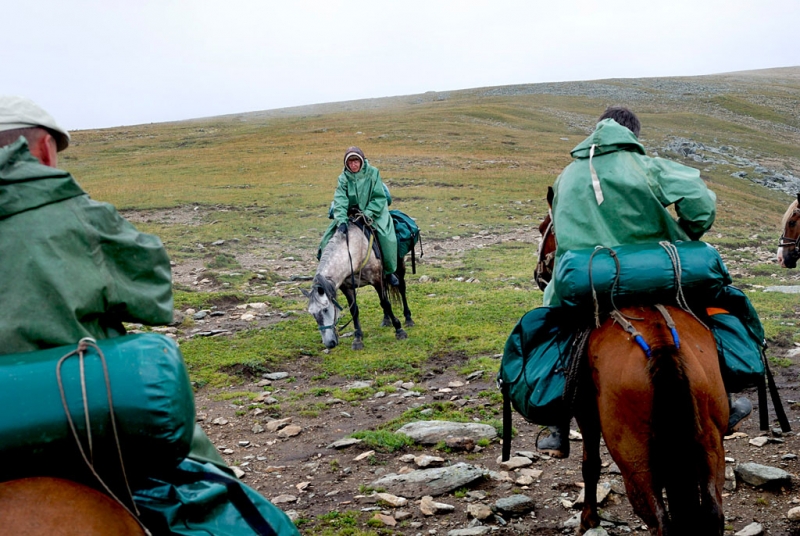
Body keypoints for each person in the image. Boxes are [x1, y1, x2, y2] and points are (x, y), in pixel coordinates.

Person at [0, 96, 299, 535]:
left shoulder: (361, 176)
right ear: (44, 150)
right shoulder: (74, 213)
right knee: (237, 517)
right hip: (81, 416)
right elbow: (152, 291)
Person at [538, 106, 751, 457]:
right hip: (660, 273)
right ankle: (727, 392)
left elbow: (558, 231)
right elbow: (700, 205)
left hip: (589, 281)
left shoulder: (566, 177)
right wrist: (686, 233)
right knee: (711, 311)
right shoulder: (648, 166)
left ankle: (557, 424)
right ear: (632, 135)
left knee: (556, 327)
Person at [319, 146, 400, 286]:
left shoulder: (373, 173)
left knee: (387, 238)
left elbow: (379, 197)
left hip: (374, 213)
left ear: (362, 161)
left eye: (356, 161)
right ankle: (327, 271)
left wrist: (367, 213)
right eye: (350, 162)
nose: (353, 164)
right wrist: (342, 220)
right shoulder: (343, 178)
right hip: (351, 214)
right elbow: (340, 200)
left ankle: (388, 271)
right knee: (327, 238)